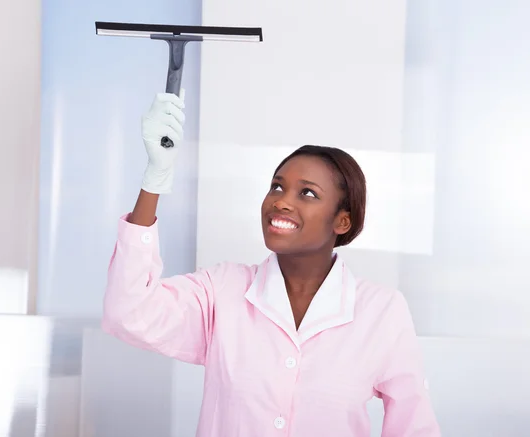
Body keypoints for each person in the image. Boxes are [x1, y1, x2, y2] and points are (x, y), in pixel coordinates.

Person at [102, 92, 441, 436]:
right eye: (277, 187)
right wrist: (155, 178)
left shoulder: (381, 311)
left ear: (342, 222)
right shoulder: (224, 291)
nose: (281, 202)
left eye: (306, 193)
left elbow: (414, 426)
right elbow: (128, 311)